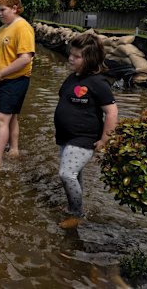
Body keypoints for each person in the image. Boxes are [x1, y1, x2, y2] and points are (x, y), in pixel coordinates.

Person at [54, 33, 118, 229]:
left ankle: (76, 213)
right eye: (71, 54)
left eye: (77, 56)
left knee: (66, 174)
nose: (71, 58)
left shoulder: (98, 83)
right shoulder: (73, 78)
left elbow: (112, 111)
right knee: (75, 174)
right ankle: (74, 206)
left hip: (84, 138)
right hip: (67, 137)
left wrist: (105, 139)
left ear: (89, 59)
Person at [0, 0, 35, 170]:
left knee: (1, 119)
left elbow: (25, 58)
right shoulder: (2, 28)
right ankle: (14, 149)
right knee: (11, 117)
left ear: (15, 8)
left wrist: (0, 74)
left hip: (15, 80)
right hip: (2, 81)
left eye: (3, 10)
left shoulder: (22, 27)